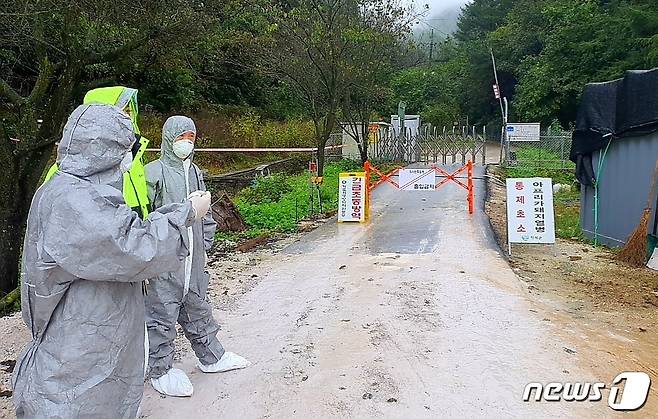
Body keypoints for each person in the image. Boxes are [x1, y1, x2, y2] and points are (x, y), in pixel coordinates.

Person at [12, 104, 212, 418]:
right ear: (102, 150)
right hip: (81, 349)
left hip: (90, 336)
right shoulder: (74, 201)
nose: (128, 159)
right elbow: (135, 247)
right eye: (123, 149)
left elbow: (123, 230)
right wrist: (185, 215)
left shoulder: (75, 191)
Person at [145, 116, 250, 397]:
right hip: (164, 263)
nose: (186, 144)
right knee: (161, 315)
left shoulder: (195, 172)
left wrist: (205, 242)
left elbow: (206, 212)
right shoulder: (151, 173)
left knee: (198, 309)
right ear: (168, 138)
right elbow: (143, 220)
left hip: (194, 261)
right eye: (181, 138)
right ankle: (160, 370)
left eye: (191, 138)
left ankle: (212, 357)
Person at [44, 86, 151, 219]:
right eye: (121, 111)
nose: (127, 117)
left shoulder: (130, 160)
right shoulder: (65, 171)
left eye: (129, 111)